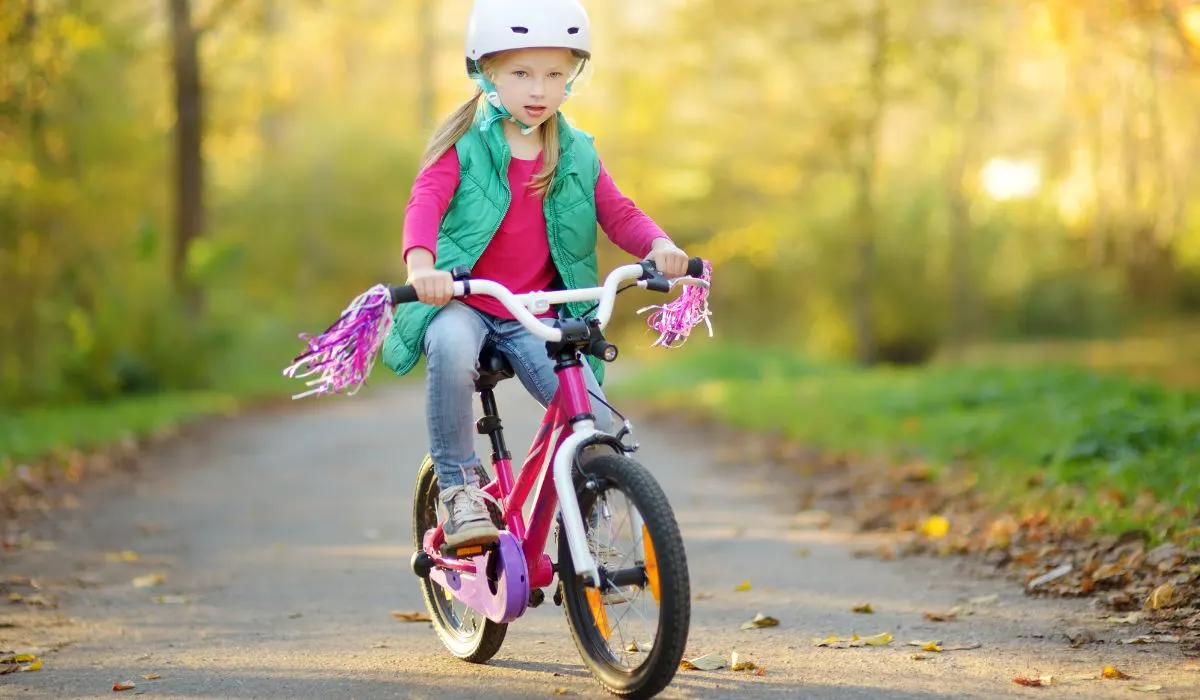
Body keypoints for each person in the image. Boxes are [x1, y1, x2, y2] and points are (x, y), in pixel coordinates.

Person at [381, 0, 690, 548]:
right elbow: (424, 202)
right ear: (486, 73)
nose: (539, 89)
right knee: (451, 346)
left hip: (534, 310)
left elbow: (617, 210)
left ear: (572, 77)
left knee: (593, 418)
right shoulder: (466, 145)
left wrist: (660, 245)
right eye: (521, 73)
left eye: (554, 74)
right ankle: (457, 489)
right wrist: (422, 264)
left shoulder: (575, 152)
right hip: (464, 299)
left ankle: (592, 491)